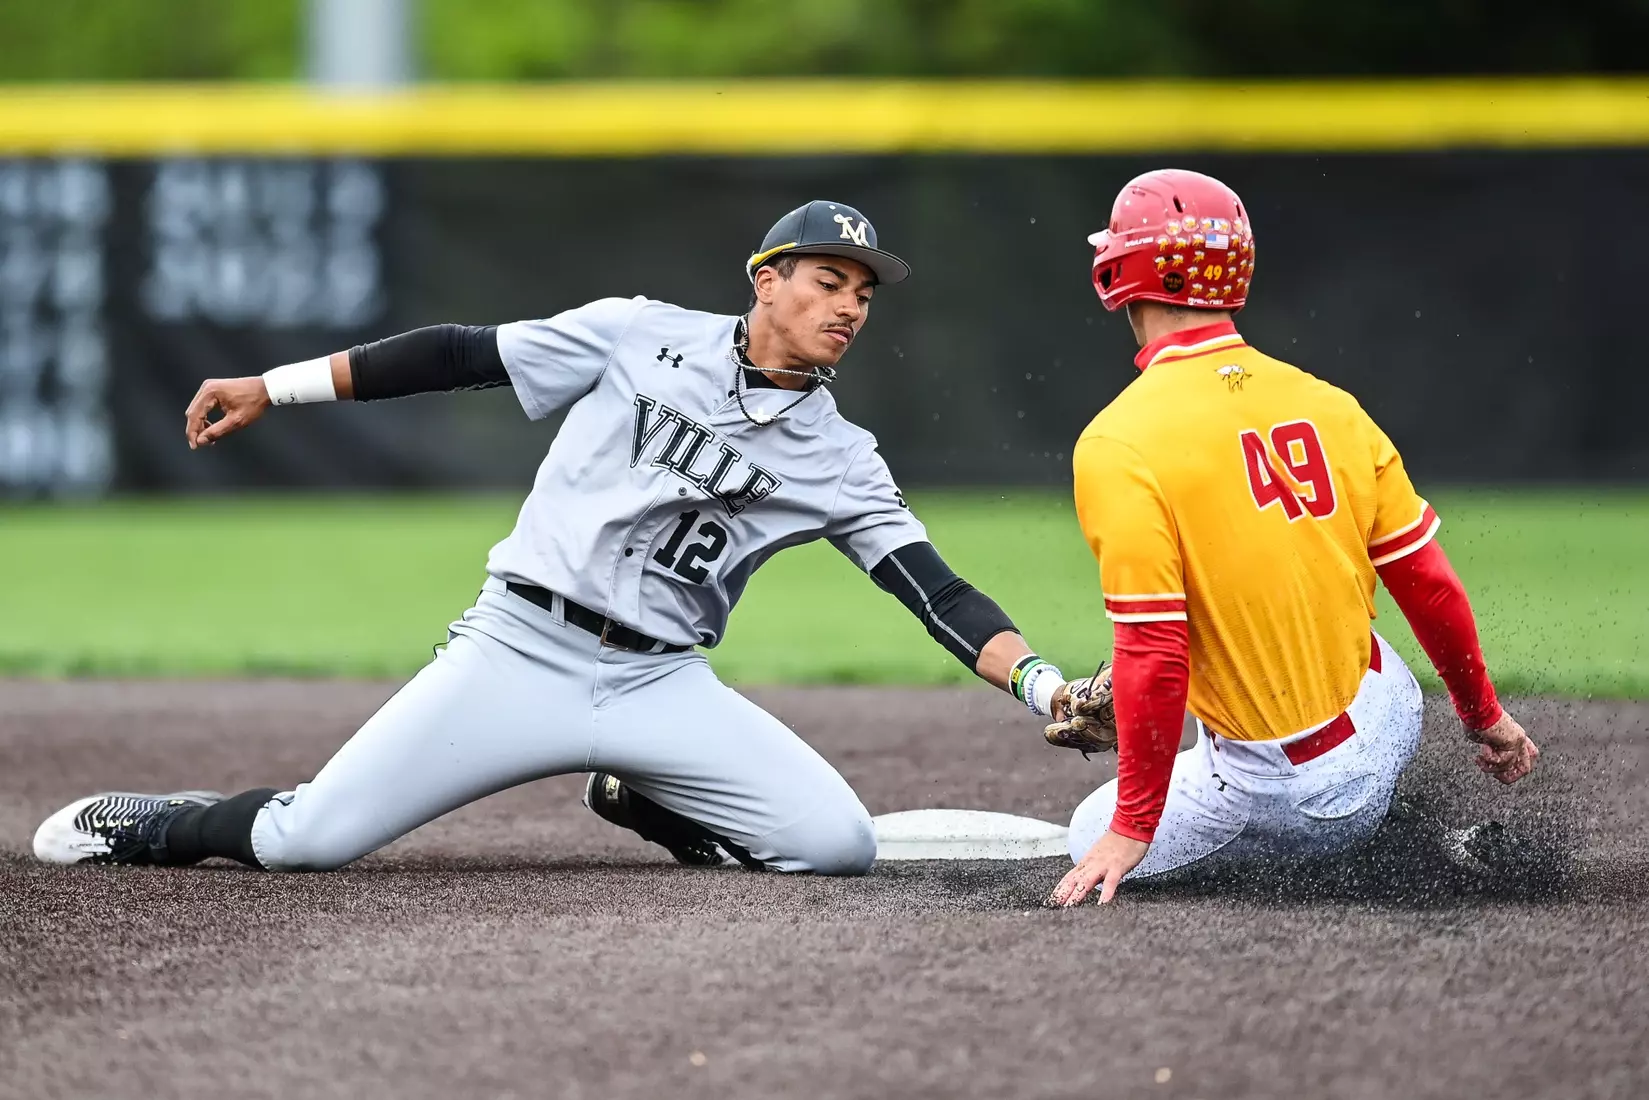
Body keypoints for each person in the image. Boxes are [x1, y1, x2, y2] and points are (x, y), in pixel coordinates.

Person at [34, 200, 1078, 875]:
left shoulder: (841, 457)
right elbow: (456, 353)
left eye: (859, 294)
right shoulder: (637, 332)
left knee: (832, 844)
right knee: (304, 838)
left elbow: (934, 590)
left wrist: (1043, 686)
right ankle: (154, 823)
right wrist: (274, 383)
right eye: (823, 280)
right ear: (763, 280)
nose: (845, 306)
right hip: (516, 649)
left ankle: (644, 795)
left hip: (659, 682)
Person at [1046, 170, 1540, 906]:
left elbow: (1154, 647)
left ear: (1118, 270)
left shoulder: (1117, 440)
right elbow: (1426, 582)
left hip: (1297, 792)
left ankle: (1370, 844)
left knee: (1088, 832)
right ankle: (1394, 820)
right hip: (1389, 710)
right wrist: (1484, 717)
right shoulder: (1328, 403)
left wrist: (1131, 826)